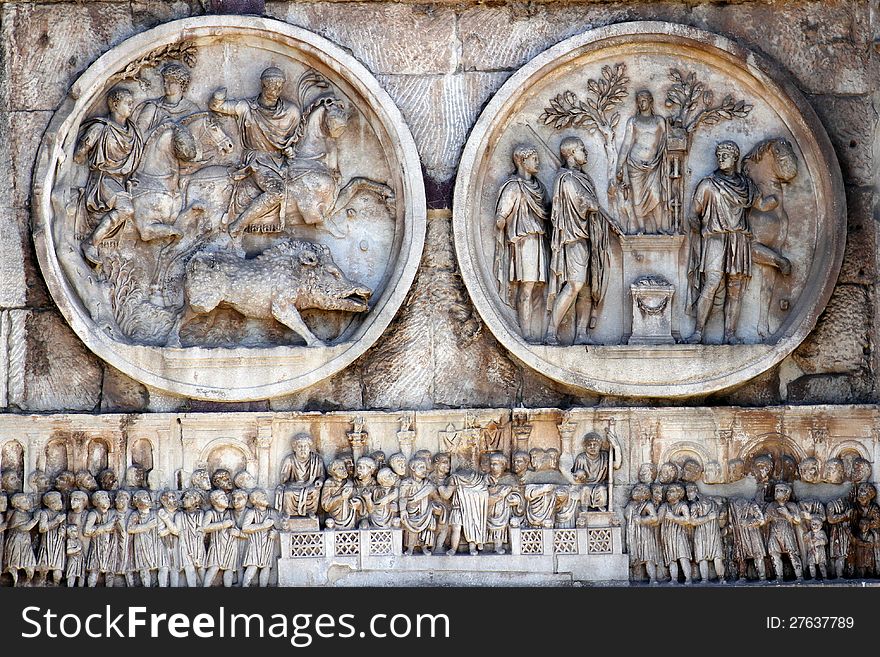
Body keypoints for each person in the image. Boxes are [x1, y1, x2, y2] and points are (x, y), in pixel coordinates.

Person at [686, 140, 777, 344]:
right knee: (711, 283)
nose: (721, 158)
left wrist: (777, 197)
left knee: (735, 288)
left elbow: (760, 204)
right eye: (719, 155)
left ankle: (730, 334)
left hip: (739, 239)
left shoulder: (746, 185)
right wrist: (699, 233)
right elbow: (693, 214)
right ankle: (698, 332)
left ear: (735, 157)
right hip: (715, 239)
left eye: (725, 155)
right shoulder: (708, 184)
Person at [546, 136, 623, 345]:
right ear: (570, 153)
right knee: (574, 284)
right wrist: (591, 203)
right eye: (582, 149)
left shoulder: (583, 178)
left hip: (589, 238)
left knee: (587, 288)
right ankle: (551, 332)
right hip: (573, 238)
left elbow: (592, 205)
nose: (585, 153)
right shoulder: (566, 179)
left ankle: (581, 334)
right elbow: (583, 201)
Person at [209, 66, 301, 235]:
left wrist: (289, 151)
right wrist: (217, 97)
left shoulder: (292, 112)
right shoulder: (246, 107)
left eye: (279, 87)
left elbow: (292, 140)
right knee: (277, 191)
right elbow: (217, 107)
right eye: (271, 86)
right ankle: (237, 225)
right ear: (263, 86)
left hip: (280, 161)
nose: (275, 91)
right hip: (257, 160)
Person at [75, 86, 144, 265]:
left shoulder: (133, 133)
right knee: (126, 209)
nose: (131, 106)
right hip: (103, 180)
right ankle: (91, 242)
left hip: (121, 182)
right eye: (127, 103)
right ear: (114, 105)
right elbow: (78, 154)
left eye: (132, 103)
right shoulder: (100, 128)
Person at [493, 143, 550, 340]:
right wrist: (503, 222)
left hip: (539, 239)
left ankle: (537, 329)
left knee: (538, 287)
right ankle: (525, 332)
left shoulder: (539, 187)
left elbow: (548, 212)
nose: (538, 162)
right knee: (527, 286)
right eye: (534, 158)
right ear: (522, 161)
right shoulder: (513, 187)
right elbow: (501, 216)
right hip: (524, 241)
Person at [615, 89, 668, 234]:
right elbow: (626, 144)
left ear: (651, 101)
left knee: (656, 196)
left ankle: (659, 228)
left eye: (644, 100)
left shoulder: (659, 121)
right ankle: (642, 228)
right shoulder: (633, 121)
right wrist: (620, 166)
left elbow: (666, 141)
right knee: (637, 198)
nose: (641, 103)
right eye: (639, 101)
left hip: (653, 165)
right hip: (635, 164)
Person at [133, 63, 199, 135]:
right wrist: (160, 128)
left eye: (170, 82)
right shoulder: (153, 107)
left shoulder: (192, 109)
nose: (165, 84)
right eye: (164, 81)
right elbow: (139, 137)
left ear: (181, 84)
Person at [276, 433, 325, 520]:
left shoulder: (317, 460)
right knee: (288, 493)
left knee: (315, 491)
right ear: (295, 448)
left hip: (310, 485)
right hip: (294, 485)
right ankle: (288, 513)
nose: (303, 449)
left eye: (305, 446)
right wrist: (286, 481)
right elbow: (284, 478)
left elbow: (321, 476)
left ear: (309, 448)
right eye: (300, 446)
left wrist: (320, 481)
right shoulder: (289, 460)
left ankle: (311, 512)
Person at [240, 490, 279, 588]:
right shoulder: (251, 512)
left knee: (266, 567)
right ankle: (245, 585)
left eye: (264, 495)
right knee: (252, 566)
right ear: (255, 500)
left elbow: (280, 528)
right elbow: (245, 528)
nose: (265, 497)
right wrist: (263, 525)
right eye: (262, 496)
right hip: (254, 543)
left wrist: (275, 533)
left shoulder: (272, 512)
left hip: (268, 543)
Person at [765, 483, 803, 581]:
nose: (777, 492)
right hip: (774, 532)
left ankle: (799, 577)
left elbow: (798, 520)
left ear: (787, 493)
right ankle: (779, 577)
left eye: (780, 490)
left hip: (787, 532)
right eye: (776, 490)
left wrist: (787, 514)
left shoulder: (791, 505)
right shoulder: (771, 505)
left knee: (792, 554)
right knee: (774, 553)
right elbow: (765, 519)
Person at [624, 484, 660, 584]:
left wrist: (642, 519)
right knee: (635, 558)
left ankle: (653, 579)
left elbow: (654, 518)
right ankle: (636, 580)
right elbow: (626, 515)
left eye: (640, 490)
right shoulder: (630, 505)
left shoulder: (648, 505)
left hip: (645, 534)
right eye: (635, 490)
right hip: (633, 533)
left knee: (648, 557)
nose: (636, 492)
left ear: (645, 494)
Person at [202, 489, 237, 587]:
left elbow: (236, 526)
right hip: (217, 544)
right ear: (215, 501)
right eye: (222, 498)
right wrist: (222, 524)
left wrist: (235, 530)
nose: (226, 499)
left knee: (229, 569)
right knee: (213, 568)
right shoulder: (210, 513)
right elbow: (204, 528)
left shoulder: (230, 513)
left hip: (230, 544)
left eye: (225, 497)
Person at [658, 484, 692, 584]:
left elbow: (687, 520)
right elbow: (658, 520)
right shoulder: (665, 506)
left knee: (683, 557)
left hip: (679, 535)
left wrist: (674, 518)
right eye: (668, 491)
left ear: (679, 494)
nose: (668, 493)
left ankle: (688, 579)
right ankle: (674, 579)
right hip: (668, 535)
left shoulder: (682, 506)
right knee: (671, 558)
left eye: (672, 491)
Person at [83, 490, 117, 587]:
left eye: (107, 497)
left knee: (110, 570)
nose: (107, 499)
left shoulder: (112, 513)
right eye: (104, 498)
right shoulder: (93, 514)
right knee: (95, 569)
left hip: (110, 544)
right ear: (96, 502)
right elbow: (86, 531)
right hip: (98, 545)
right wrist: (104, 527)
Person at [36, 491, 67, 586]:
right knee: (44, 565)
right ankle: (42, 581)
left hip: (59, 543)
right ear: (50, 504)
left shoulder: (62, 514)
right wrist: (57, 520)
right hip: (47, 542)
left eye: (60, 500)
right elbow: (42, 528)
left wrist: (63, 530)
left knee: (58, 568)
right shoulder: (45, 513)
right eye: (57, 501)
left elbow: (64, 526)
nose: (60, 503)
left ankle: (56, 583)